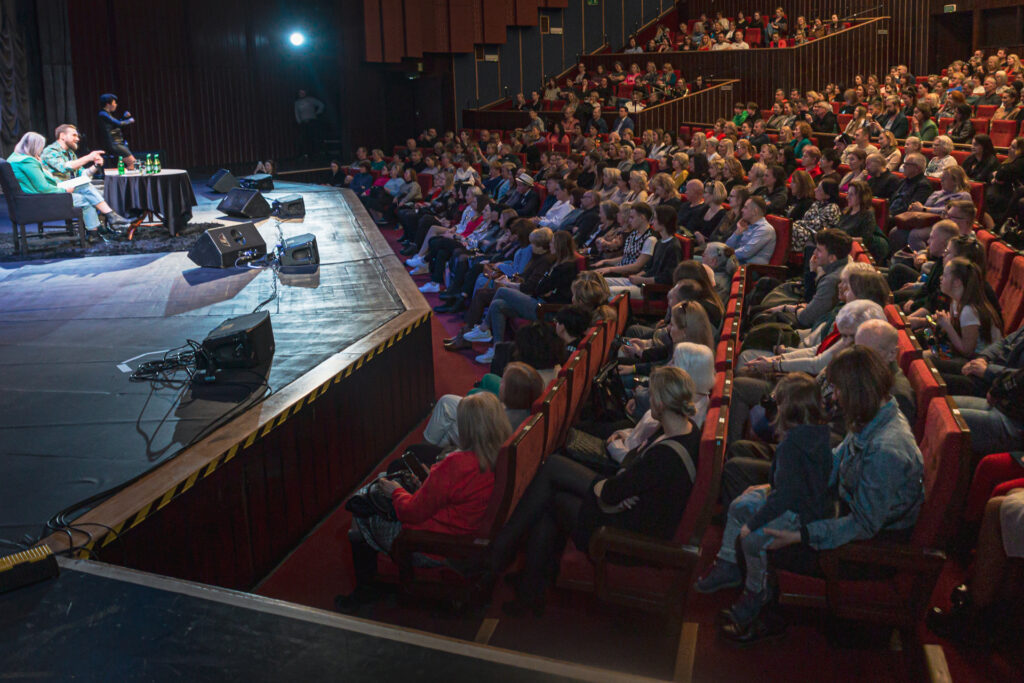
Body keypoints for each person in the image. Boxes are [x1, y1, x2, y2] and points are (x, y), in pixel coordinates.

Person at [721, 346, 924, 644]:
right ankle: (754, 587)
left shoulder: (887, 449)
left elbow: (864, 525)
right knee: (755, 501)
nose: (835, 396)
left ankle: (766, 613)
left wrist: (801, 535)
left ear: (856, 391)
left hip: (869, 547)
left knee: (759, 536)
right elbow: (834, 464)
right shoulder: (873, 415)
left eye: (838, 389)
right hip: (840, 508)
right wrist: (774, 490)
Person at [488, 365, 700, 615]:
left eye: (652, 395)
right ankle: (526, 579)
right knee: (552, 483)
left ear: (663, 403)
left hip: (627, 534)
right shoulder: (687, 430)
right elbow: (634, 465)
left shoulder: (666, 456)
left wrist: (624, 487)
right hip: (630, 509)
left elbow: (613, 491)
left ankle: (503, 562)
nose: (648, 399)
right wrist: (627, 486)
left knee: (552, 485)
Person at [337, 392, 513, 610]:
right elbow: (454, 494)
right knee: (381, 483)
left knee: (361, 505)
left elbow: (410, 512)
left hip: (435, 542)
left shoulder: (457, 464)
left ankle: (365, 589)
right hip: (466, 527)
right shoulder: (501, 456)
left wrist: (396, 491)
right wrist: (428, 482)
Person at [694, 373, 833, 634]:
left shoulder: (793, 446)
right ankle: (728, 565)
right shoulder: (814, 431)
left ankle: (756, 591)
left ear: (786, 410)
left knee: (752, 539)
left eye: (775, 402)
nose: (771, 406)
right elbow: (792, 485)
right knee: (738, 504)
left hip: (799, 512)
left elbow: (786, 497)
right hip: (797, 497)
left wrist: (754, 524)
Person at [475, 231, 579, 364]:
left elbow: (540, 288)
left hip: (547, 309)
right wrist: (544, 288)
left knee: (502, 290)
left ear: (559, 246)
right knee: (497, 305)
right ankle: (497, 349)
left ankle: (484, 328)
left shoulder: (565, 267)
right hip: (542, 300)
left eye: (552, 243)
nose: (550, 245)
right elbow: (542, 287)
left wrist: (544, 288)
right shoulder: (557, 262)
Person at [8, 131, 134, 235]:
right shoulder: (30, 160)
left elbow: (81, 174)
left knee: (91, 187)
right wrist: (64, 190)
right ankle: (106, 223)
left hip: (41, 193)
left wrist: (95, 165)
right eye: (40, 147)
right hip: (41, 199)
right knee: (85, 197)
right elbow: (44, 186)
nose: (77, 138)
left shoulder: (15, 158)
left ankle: (102, 226)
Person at [606, 205, 682, 299]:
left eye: (655, 219)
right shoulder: (660, 242)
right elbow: (648, 267)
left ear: (663, 221)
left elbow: (667, 278)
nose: (652, 222)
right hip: (642, 282)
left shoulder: (673, 246)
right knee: (603, 282)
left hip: (651, 289)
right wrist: (636, 277)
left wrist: (641, 279)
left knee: (608, 291)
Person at [726, 196, 776, 265]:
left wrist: (726, 255)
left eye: (745, 207)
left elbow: (746, 253)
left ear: (755, 211)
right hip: (735, 263)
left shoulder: (765, 229)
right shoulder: (747, 226)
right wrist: (737, 232)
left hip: (749, 270)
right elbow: (728, 246)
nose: (742, 210)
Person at [97, 94, 136, 170]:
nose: (116, 105)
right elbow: (118, 123)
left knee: (132, 164)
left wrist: (124, 117)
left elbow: (116, 124)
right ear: (108, 104)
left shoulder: (107, 114)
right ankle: (116, 177)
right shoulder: (103, 114)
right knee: (132, 163)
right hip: (114, 143)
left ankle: (119, 178)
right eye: (114, 103)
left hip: (117, 143)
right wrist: (129, 121)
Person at [294, 89, 325, 158]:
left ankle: (316, 153)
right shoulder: (297, 103)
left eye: (303, 92)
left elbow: (321, 105)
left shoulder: (311, 99)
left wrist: (317, 113)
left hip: (312, 121)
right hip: (303, 123)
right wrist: (299, 122)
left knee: (313, 137)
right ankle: (307, 154)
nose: (301, 94)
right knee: (305, 138)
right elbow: (296, 113)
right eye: (300, 93)